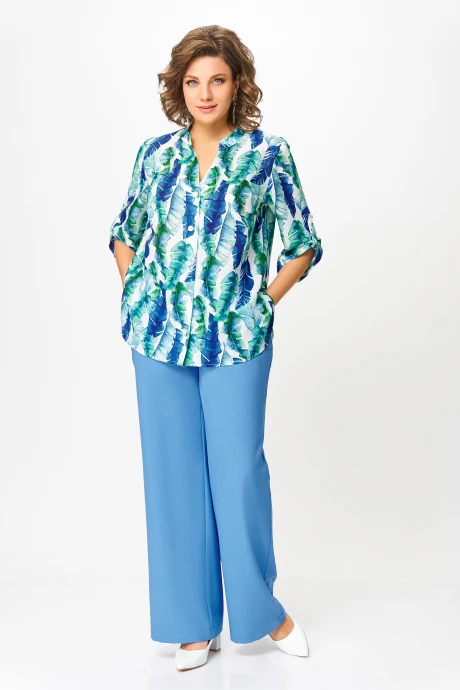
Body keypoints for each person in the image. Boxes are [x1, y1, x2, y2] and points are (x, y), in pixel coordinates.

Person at [108, 24, 323, 672]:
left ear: (237, 86)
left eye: (218, 80)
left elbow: (303, 242)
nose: (205, 92)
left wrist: (263, 302)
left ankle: (264, 612)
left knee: (238, 474)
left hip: (237, 338)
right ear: (179, 88)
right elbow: (125, 231)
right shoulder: (154, 156)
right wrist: (139, 296)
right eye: (193, 81)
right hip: (159, 340)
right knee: (172, 478)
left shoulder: (267, 154)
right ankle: (192, 626)